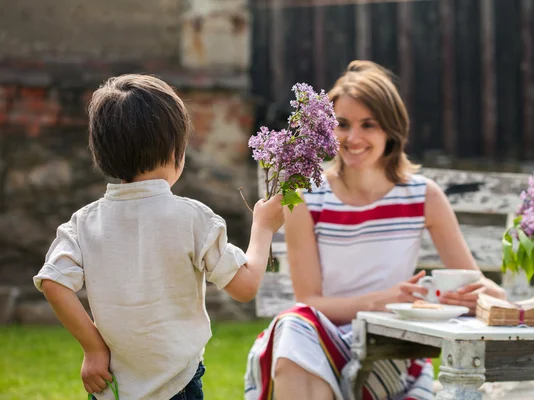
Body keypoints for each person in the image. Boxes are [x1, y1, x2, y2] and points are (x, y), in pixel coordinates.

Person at [244, 61, 506, 400]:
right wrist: (385, 300)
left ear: (391, 130)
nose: (353, 138)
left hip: (391, 344)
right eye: (342, 124)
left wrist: (488, 295)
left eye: (369, 125)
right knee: (293, 326)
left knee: (299, 339)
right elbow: (309, 301)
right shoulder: (308, 195)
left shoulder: (423, 195)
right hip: (322, 336)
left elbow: (472, 283)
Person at [33, 74, 285, 400]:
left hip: (112, 387)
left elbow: (53, 282)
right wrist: (263, 227)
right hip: (178, 384)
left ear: (102, 152)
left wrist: (93, 348)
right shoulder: (193, 218)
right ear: (176, 150)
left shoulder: (83, 223)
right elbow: (245, 286)